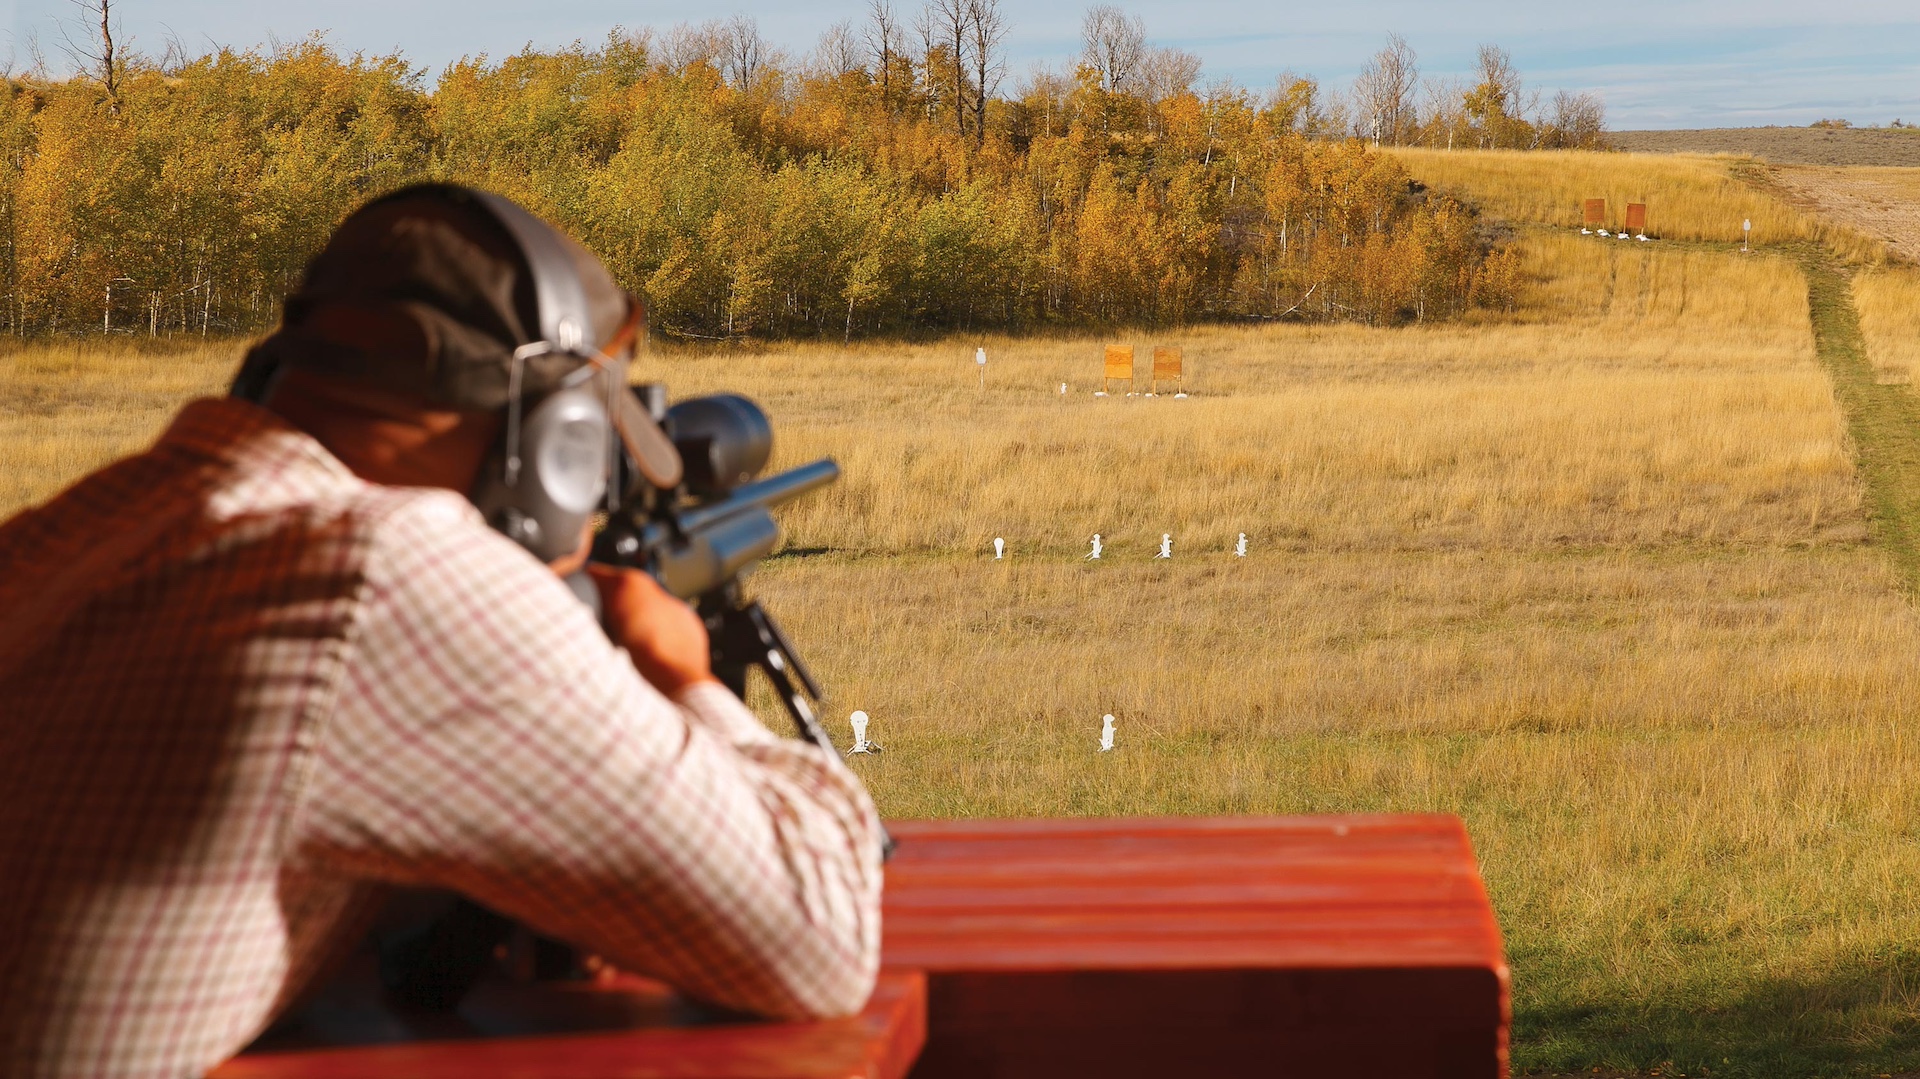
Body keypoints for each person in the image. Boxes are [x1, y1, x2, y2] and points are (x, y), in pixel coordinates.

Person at [0, 186, 884, 1078]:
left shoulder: (67, 532)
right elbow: (823, 938)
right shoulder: (385, 569)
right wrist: (681, 675)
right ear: (556, 439)